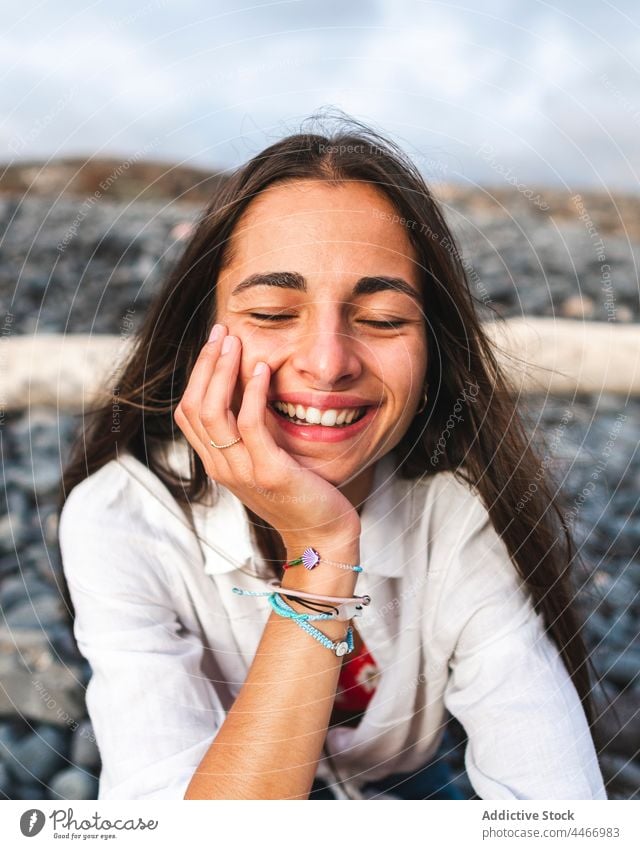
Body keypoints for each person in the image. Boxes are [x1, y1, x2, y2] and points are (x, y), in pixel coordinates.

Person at [57, 116, 607, 800]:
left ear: (432, 348)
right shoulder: (119, 518)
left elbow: (558, 817)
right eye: (270, 312)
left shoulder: (461, 511)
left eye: (381, 319)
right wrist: (320, 551)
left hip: (404, 779)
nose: (327, 363)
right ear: (201, 329)